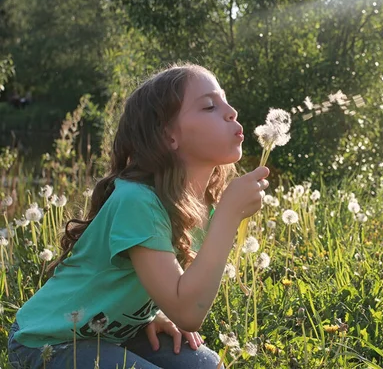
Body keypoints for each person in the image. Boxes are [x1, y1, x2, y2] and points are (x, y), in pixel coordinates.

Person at [6, 63, 270, 368]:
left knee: (207, 365)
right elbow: (188, 312)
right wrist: (228, 216)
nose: (231, 111)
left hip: (111, 333)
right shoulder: (137, 200)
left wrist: (151, 313)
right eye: (210, 106)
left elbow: (175, 292)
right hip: (48, 340)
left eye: (225, 100)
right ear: (169, 136)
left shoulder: (199, 204)